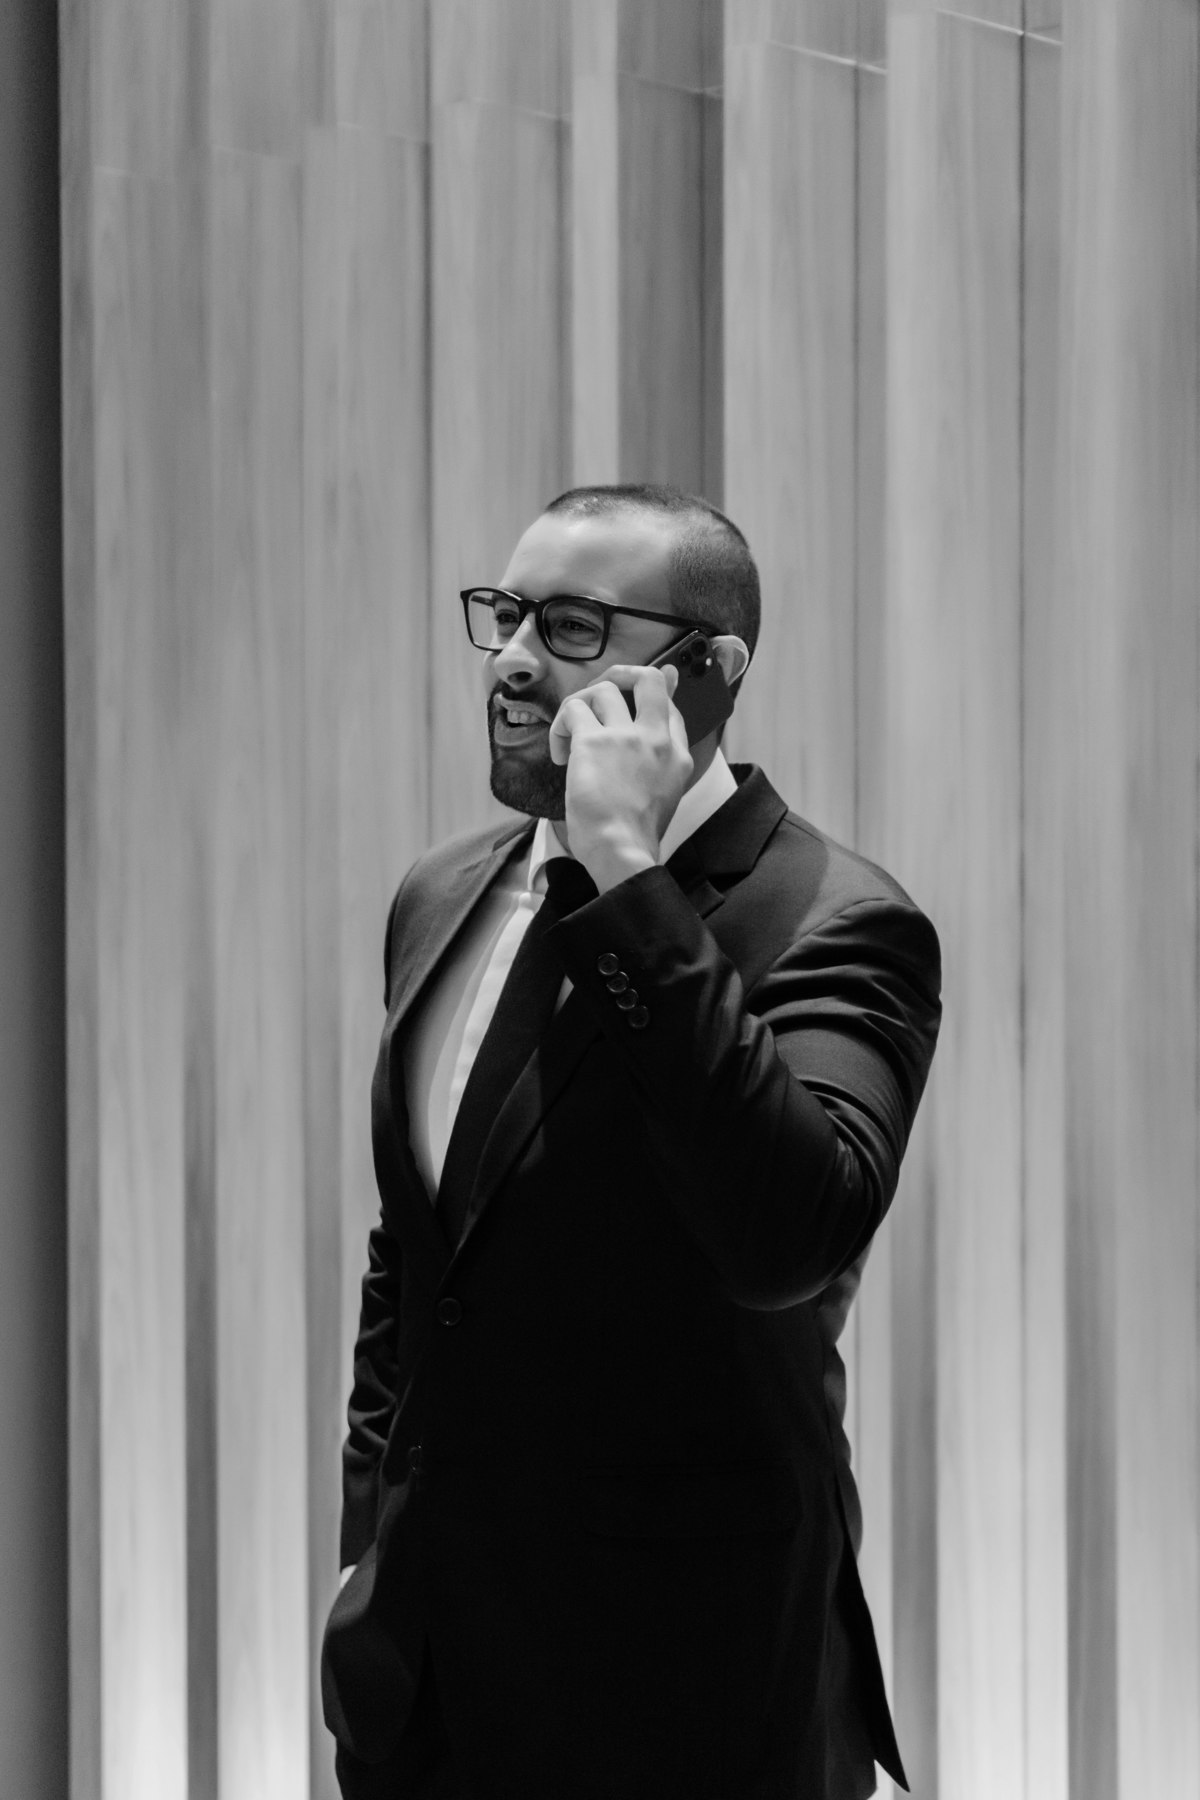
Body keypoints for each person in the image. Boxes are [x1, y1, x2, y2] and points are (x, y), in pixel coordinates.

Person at [321, 485, 941, 1799]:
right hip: (423, 1689)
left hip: (692, 1697)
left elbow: (784, 1236)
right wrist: (366, 1547)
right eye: (506, 615)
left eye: (571, 627)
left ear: (706, 675)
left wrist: (623, 867)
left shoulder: (842, 921)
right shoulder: (440, 891)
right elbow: (419, 1259)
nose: (512, 660)